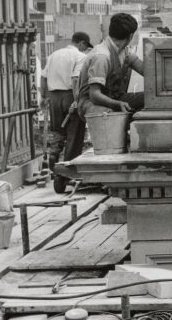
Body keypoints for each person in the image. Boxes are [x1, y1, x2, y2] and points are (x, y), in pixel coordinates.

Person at [55, 13, 145, 193]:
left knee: (147, 99)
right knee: (109, 116)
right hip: (91, 104)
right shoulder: (102, 56)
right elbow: (95, 95)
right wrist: (117, 105)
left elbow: (145, 69)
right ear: (129, 36)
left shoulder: (123, 51)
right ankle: (107, 163)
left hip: (112, 98)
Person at [41, 31, 92, 172]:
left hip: (53, 96)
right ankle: (69, 165)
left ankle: (54, 153)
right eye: (85, 46)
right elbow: (75, 79)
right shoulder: (80, 56)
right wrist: (77, 100)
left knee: (57, 129)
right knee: (74, 132)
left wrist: (43, 97)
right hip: (70, 95)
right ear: (81, 43)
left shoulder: (54, 55)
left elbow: (43, 77)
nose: (85, 49)